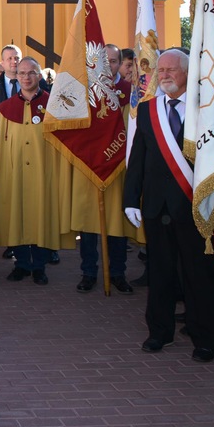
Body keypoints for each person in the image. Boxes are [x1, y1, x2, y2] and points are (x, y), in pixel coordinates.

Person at [124, 49, 214, 363]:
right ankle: (159, 332)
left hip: (197, 206)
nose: (164, 75)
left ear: (187, 73)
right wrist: (131, 199)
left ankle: (205, 338)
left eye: (171, 69)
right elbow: (138, 158)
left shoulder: (207, 108)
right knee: (160, 273)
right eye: (160, 70)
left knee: (199, 274)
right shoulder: (148, 110)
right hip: (157, 206)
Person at [0, 57, 72, 285]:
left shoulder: (54, 105)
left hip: (44, 173)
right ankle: (21, 264)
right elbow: (3, 144)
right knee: (16, 214)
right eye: (22, 73)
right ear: (17, 76)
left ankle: (39, 266)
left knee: (41, 216)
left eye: (31, 73)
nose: (26, 77)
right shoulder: (6, 109)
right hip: (15, 172)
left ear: (39, 75)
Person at [73, 44, 138, 294]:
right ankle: (88, 272)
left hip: (120, 167)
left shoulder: (130, 94)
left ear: (119, 63)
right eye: (104, 61)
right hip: (92, 166)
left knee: (116, 224)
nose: (108, 66)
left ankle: (118, 273)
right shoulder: (86, 94)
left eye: (113, 61)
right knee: (89, 224)